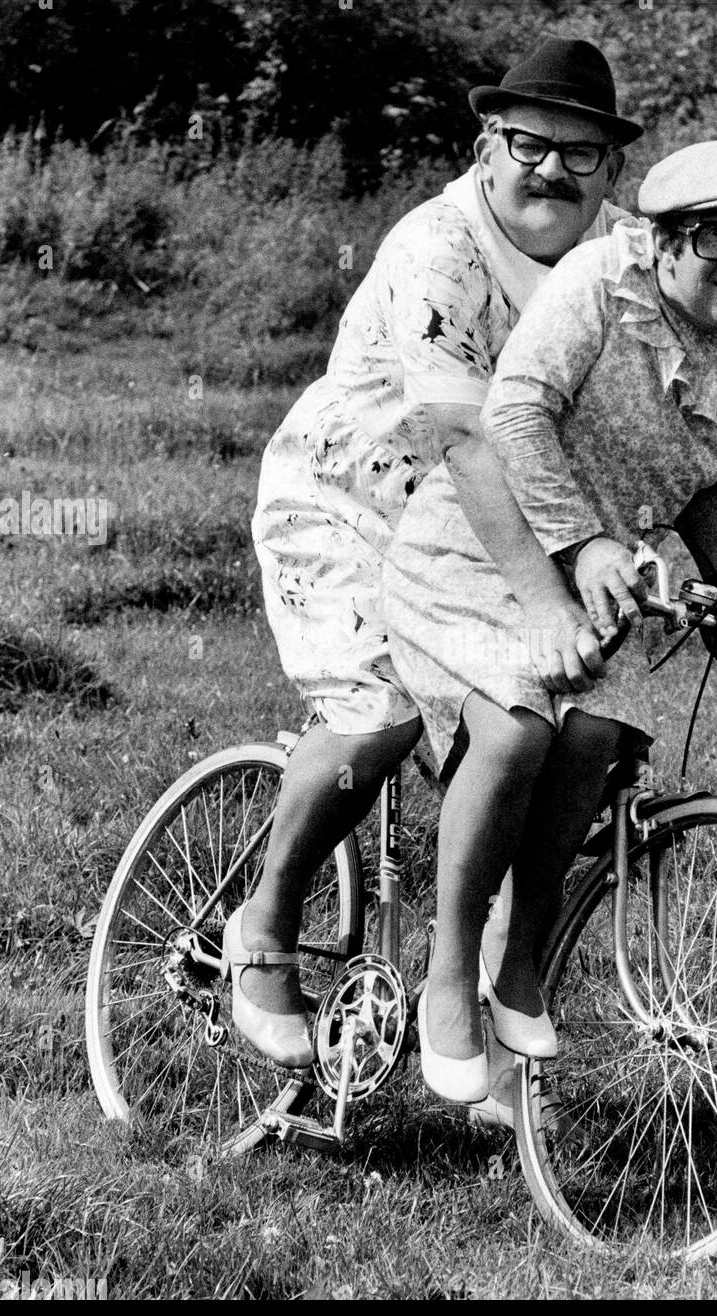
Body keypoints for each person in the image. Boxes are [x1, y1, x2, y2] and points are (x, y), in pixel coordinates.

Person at [382, 140, 717, 1088]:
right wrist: (580, 546)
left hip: (610, 579)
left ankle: (520, 960)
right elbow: (512, 413)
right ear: (665, 243)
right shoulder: (603, 283)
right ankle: (446, 972)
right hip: (487, 552)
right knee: (517, 733)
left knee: (595, 737)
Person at [237, 39, 646, 1111]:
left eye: (581, 154)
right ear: (484, 146)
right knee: (373, 721)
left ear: (612, 173)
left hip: (477, 534)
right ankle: (265, 922)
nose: (551, 171)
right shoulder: (440, 248)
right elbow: (466, 443)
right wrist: (548, 593)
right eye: (528, 145)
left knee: (545, 734)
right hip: (349, 506)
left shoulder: (615, 260)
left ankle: (478, 1014)